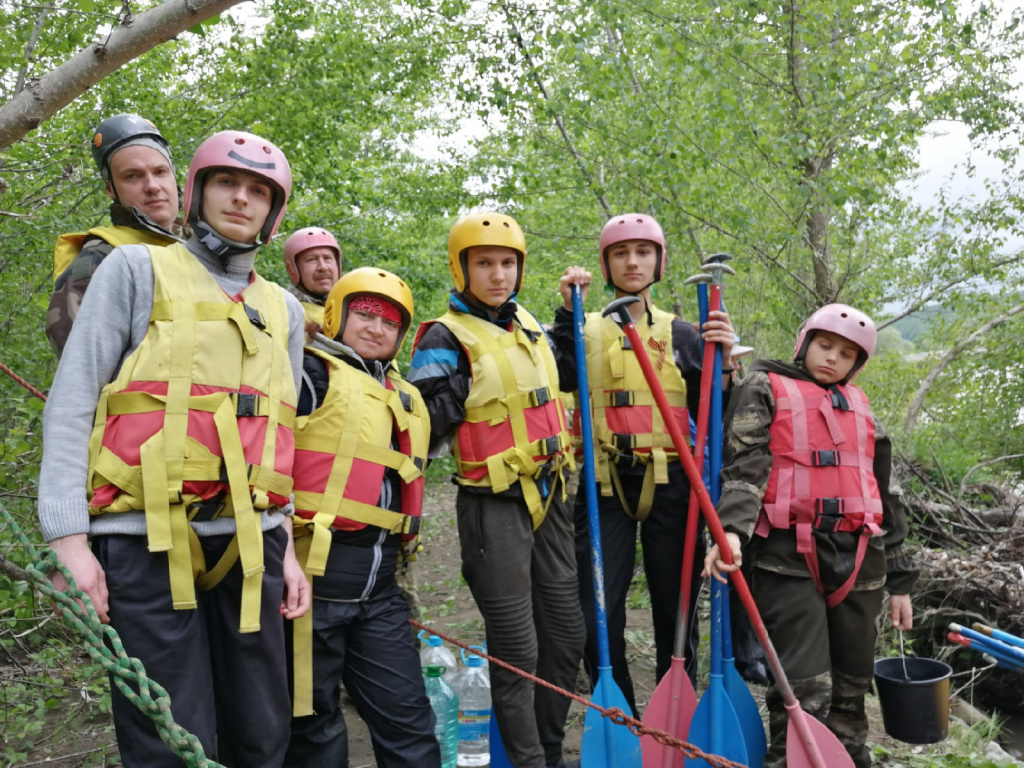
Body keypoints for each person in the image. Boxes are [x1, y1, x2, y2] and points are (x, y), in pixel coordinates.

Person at [37, 129, 311, 768]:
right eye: (227, 183)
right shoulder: (132, 269)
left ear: (273, 212)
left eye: (258, 191)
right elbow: (73, 402)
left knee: (262, 737)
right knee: (166, 743)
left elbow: (280, 431)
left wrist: (289, 547)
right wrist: (69, 543)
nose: (240, 200)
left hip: (254, 544)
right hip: (144, 539)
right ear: (197, 191)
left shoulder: (285, 311)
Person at [702, 303, 917, 768]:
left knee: (852, 686)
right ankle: (790, 760)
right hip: (787, 554)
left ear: (856, 364)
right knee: (805, 687)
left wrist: (901, 583)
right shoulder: (763, 385)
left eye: (845, 353)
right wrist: (732, 532)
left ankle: (847, 758)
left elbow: (886, 493)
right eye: (824, 345)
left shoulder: (861, 406)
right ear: (804, 342)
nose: (832, 358)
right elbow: (745, 465)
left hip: (860, 556)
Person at [407, 212, 585, 768]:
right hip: (492, 504)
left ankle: (548, 751)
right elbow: (426, 423)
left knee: (566, 635)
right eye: (483, 263)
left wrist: (565, 316)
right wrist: (448, 396)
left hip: (551, 493)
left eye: (507, 263)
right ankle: (529, 762)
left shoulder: (527, 322)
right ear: (461, 269)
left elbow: (566, 378)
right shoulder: (442, 336)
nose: (498, 274)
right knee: (517, 648)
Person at [554, 214, 734, 715]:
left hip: (672, 480)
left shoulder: (683, 334)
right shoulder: (582, 328)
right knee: (596, 610)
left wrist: (725, 361)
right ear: (606, 263)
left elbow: (717, 409)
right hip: (603, 480)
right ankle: (622, 714)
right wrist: (565, 312)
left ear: (658, 261)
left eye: (643, 252)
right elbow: (561, 373)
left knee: (674, 607)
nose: (633, 261)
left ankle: (673, 709)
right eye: (621, 253)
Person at [285, 267, 439, 767]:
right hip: (308, 590)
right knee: (313, 732)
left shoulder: (404, 396)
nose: (376, 329)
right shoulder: (306, 372)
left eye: (390, 323)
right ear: (337, 316)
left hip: (379, 593)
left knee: (410, 724)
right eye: (365, 316)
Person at [47, 113, 187, 358]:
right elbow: (81, 367)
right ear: (111, 189)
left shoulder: (205, 250)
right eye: (132, 176)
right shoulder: (99, 260)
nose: (153, 185)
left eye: (160, 171)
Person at [282, 226, 342, 334]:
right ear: (292, 270)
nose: (323, 267)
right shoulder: (285, 312)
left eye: (327, 258)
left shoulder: (353, 310)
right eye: (311, 260)